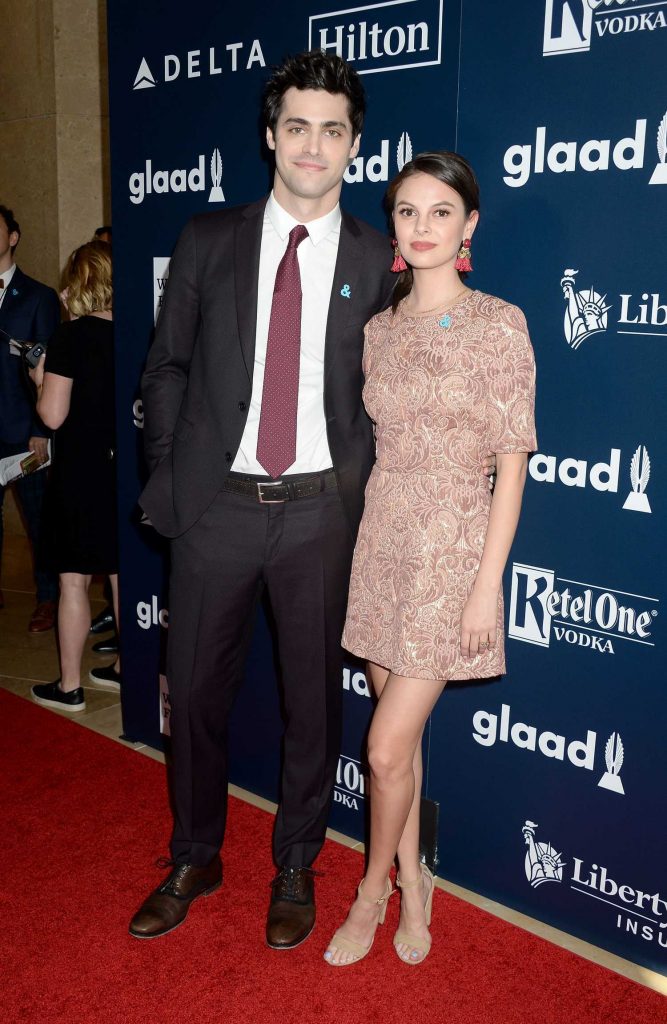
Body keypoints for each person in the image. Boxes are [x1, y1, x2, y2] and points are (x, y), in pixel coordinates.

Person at [130, 53, 494, 948]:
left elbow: (438, 364)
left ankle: (296, 863)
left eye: (333, 129)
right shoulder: (208, 239)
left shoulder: (382, 260)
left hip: (324, 515)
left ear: (354, 145)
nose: (313, 144)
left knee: (312, 705)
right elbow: (166, 366)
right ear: (269, 134)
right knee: (197, 695)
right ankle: (193, 854)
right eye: (297, 124)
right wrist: (175, 472)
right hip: (213, 506)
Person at [324, 152, 537, 967]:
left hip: (452, 549)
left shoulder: (499, 323)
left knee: (379, 750)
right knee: (399, 748)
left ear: (468, 225)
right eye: (406, 212)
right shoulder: (377, 327)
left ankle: (370, 891)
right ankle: (417, 882)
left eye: (439, 212)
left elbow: (511, 463)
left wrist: (487, 586)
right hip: (381, 542)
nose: (420, 227)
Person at [29, 240, 120, 712]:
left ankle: (70, 687)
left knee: (73, 583)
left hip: (80, 472)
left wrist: (40, 377)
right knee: (123, 576)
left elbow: (52, 416)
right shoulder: (134, 333)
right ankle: (126, 670)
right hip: (124, 469)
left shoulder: (71, 337)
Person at [0, 204, 60, 629]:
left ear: (13, 237)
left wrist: (42, 429)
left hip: (25, 433)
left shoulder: (38, 296)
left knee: (40, 522)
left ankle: (48, 596)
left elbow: (51, 369)